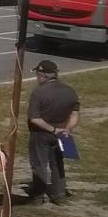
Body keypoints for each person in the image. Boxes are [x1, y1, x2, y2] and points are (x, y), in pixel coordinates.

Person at [27, 60, 79, 205]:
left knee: (39, 164)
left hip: (40, 134)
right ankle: (59, 195)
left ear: (42, 75)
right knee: (57, 164)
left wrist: (53, 130)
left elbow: (35, 119)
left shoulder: (39, 93)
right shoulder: (70, 91)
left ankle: (38, 196)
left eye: (38, 75)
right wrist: (67, 128)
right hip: (62, 134)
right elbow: (75, 114)